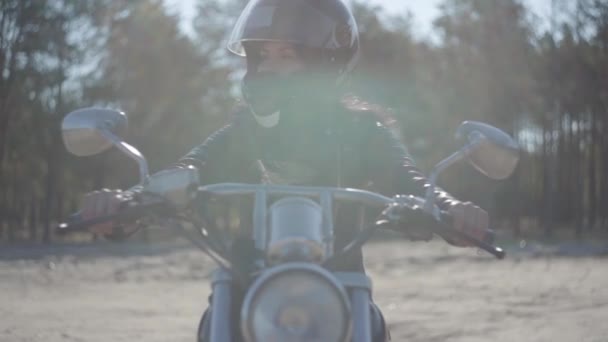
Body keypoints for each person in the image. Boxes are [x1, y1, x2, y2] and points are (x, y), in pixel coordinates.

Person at [80, 0, 489, 340]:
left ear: (324, 62)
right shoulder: (243, 131)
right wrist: (128, 202)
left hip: (340, 286)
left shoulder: (362, 132)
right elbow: (190, 167)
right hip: (248, 282)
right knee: (213, 324)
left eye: (286, 54)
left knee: (373, 327)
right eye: (262, 55)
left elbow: (408, 179)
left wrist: (450, 208)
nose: (268, 67)